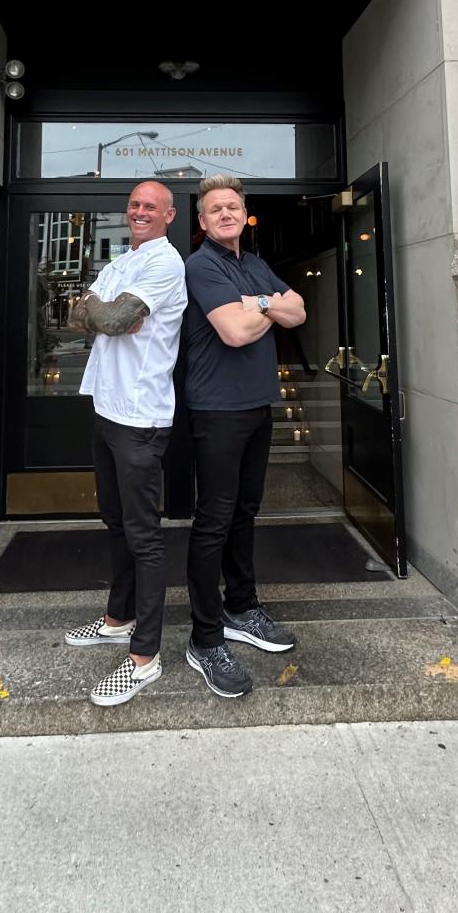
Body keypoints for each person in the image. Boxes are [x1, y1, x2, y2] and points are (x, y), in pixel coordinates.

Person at [63, 181, 187, 708]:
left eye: (150, 207)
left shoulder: (165, 264)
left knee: (144, 536)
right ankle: (118, 618)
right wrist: (103, 311)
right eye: (135, 205)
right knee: (115, 524)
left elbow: (110, 318)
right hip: (106, 408)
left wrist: (106, 313)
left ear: (169, 215)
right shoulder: (121, 262)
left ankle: (145, 657)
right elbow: (78, 314)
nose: (139, 212)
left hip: (140, 416)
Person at [182, 174, 307, 698]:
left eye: (233, 206)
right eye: (216, 209)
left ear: (244, 213)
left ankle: (240, 608)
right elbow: (233, 333)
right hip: (216, 411)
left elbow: (298, 311)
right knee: (214, 519)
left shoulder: (252, 263)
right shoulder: (201, 265)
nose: (226, 214)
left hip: (258, 406)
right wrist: (264, 306)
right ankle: (205, 639)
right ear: (203, 221)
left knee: (244, 512)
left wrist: (255, 302)